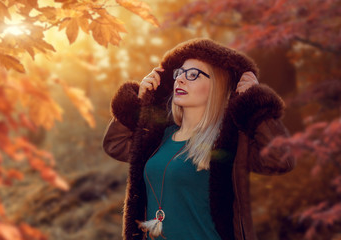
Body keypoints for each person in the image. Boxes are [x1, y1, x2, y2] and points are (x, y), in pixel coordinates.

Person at [103, 38, 295, 240]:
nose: (181, 79)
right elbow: (114, 144)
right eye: (180, 73)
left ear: (217, 86)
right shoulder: (157, 137)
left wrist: (256, 105)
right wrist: (139, 103)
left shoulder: (228, 142)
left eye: (193, 74)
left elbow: (281, 159)